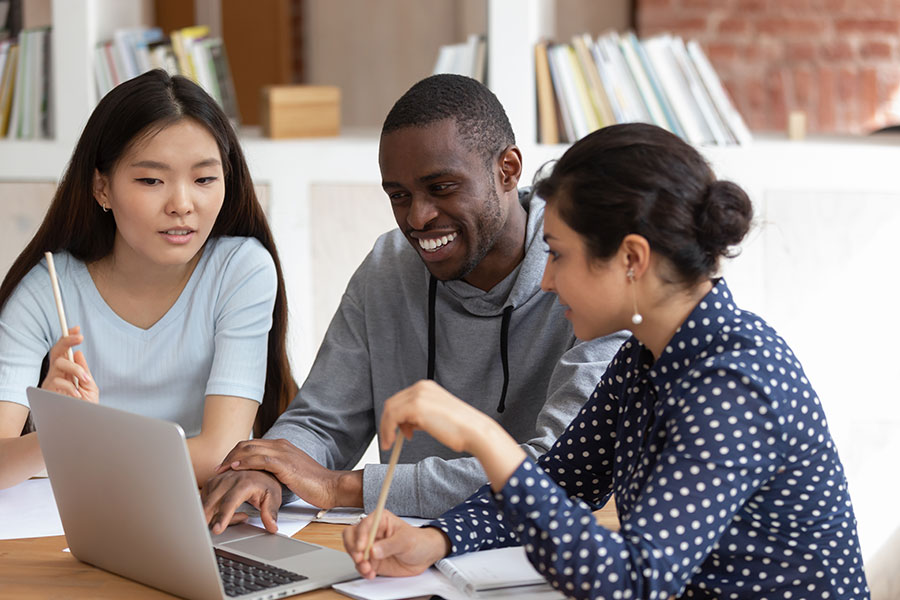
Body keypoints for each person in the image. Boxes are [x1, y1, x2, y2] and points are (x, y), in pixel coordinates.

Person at [342, 123, 870, 599]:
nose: (546, 279)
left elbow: (632, 581)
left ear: (632, 260)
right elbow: (558, 482)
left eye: (558, 253)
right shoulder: (644, 358)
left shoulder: (733, 383)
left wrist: (485, 437)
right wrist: (436, 539)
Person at [201, 74, 628, 529]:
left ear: (507, 168)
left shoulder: (590, 279)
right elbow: (324, 420)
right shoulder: (389, 266)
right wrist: (267, 470)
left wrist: (340, 487)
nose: (418, 217)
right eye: (398, 196)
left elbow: (560, 470)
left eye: (441, 188)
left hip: (543, 552)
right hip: (404, 550)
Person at [0, 69, 296, 490]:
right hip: (72, 517)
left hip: (195, 515)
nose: (181, 204)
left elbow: (219, 454)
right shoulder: (45, 289)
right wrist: (53, 434)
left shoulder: (240, 270)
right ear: (102, 187)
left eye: (204, 179)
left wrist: (86, 452)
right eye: (151, 180)